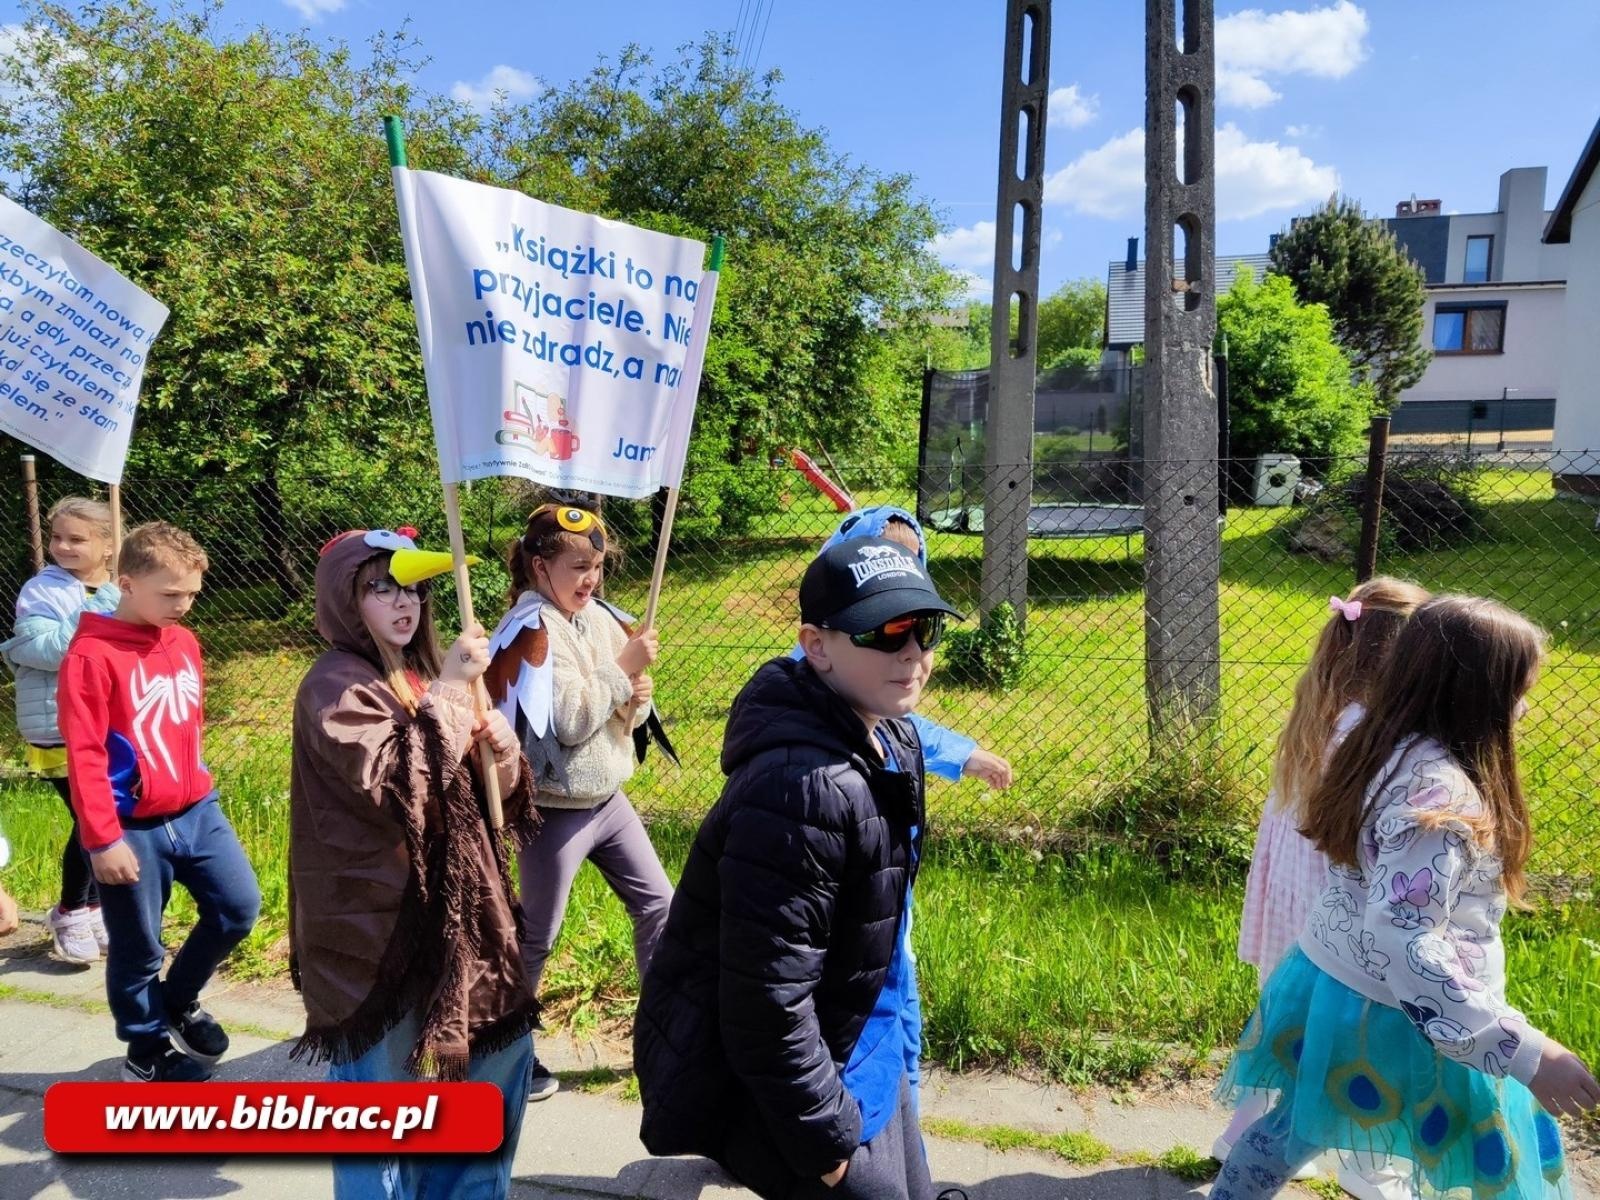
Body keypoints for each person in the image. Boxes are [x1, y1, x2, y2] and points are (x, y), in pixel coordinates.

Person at [1213, 595, 1599, 1200]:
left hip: (1336, 987)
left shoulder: (1381, 747)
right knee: (1495, 1161)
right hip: (1417, 1016)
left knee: (1293, 1126)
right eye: (1518, 692)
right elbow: (1405, 937)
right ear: (1476, 698)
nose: (1526, 706)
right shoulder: (1441, 806)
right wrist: (1522, 1051)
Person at [634, 536, 969, 1200]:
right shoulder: (797, 791)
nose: (913, 652)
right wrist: (827, 1149)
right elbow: (766, 1003)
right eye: (886, 631)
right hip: (801, 1089)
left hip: (864, 1046)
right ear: (815, 645)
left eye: (925, 628)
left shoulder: (892, 735)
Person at [288, 527, 540, 1200]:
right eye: (382, 587)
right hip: (377, 930)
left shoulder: (417, 676)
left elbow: (490, 801)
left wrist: (502, 751)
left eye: (414, 588)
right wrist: (454, 697)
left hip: (459, 919)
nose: (406, 603)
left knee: (489, 1073)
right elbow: (399, 786)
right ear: (345, 598)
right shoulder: (335, 685)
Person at [1218, 578, 1429, 1200]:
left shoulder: (1324, 707)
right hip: (1331, 914)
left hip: (1292, 898)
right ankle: (1374, 1171)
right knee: (1350, 1046)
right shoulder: (1374, 736)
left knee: (1285, 1029)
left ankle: (1243, 1135)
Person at [56, 521, 261, 1082]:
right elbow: (86, 754)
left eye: (192, 593)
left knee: (238, 908)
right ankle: (144, 1050)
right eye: (170, 594)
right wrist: (102, 839)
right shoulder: (91, 657)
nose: (184, 605)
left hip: (197, 810)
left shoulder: (184, 641)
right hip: (130, 829)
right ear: (126, 582)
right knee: (138, 945)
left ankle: (176, 1000)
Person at [485, 502, 674, 1103]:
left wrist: (637, 694)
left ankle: (662, 1037)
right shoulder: (532, 627)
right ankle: (506, 1048)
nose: (590, 579)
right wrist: (624, 672)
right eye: (578, 567)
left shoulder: (600, 617)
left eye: (597, 566)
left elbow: (626, 714)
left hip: (607, 799)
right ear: (541, 569)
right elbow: (567, 721)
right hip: (554, 809)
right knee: (536, 934)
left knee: (660, 906)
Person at [799, 506, 1011, 790]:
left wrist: (962, 754)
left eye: (926, 627)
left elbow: (901, 727)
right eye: (885, 625)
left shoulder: (867, 695)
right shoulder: (805, 776)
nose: (912, 651)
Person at [1, 497, 120, 963]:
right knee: (91, 820)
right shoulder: (41, 590)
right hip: (60, 727)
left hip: (108, 727)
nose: (63, 547)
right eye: (57, 538)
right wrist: (103, 608)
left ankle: (91, 908)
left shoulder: (121, 587)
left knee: (104, 818)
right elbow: (46, 651)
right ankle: (71, 910)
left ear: (108, 546)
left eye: (77, 539)